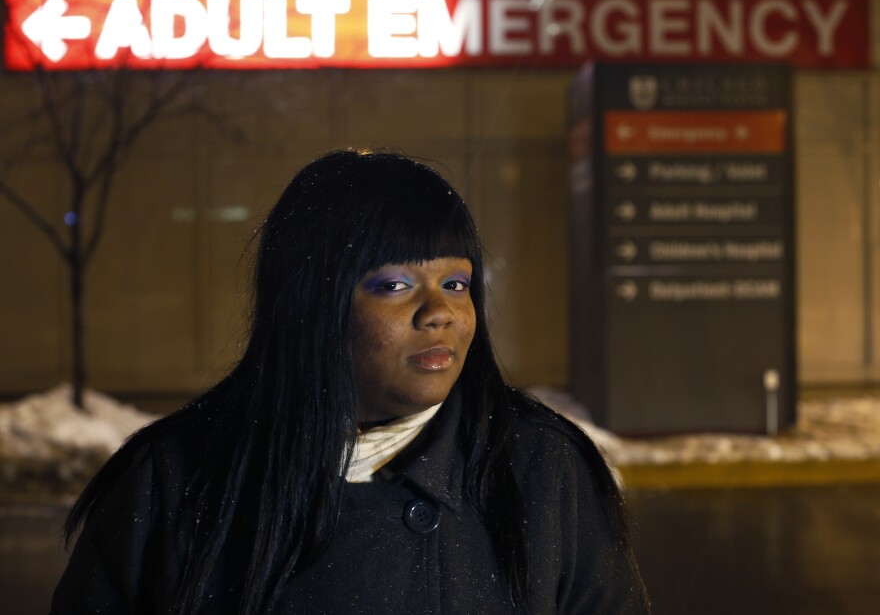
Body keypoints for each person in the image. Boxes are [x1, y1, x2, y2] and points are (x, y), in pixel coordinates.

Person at [52, 149, 650, 614]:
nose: (437, 312)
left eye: (456, 284)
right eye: (394, 285)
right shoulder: (177, 476)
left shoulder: (540, 468)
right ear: (313, 303)